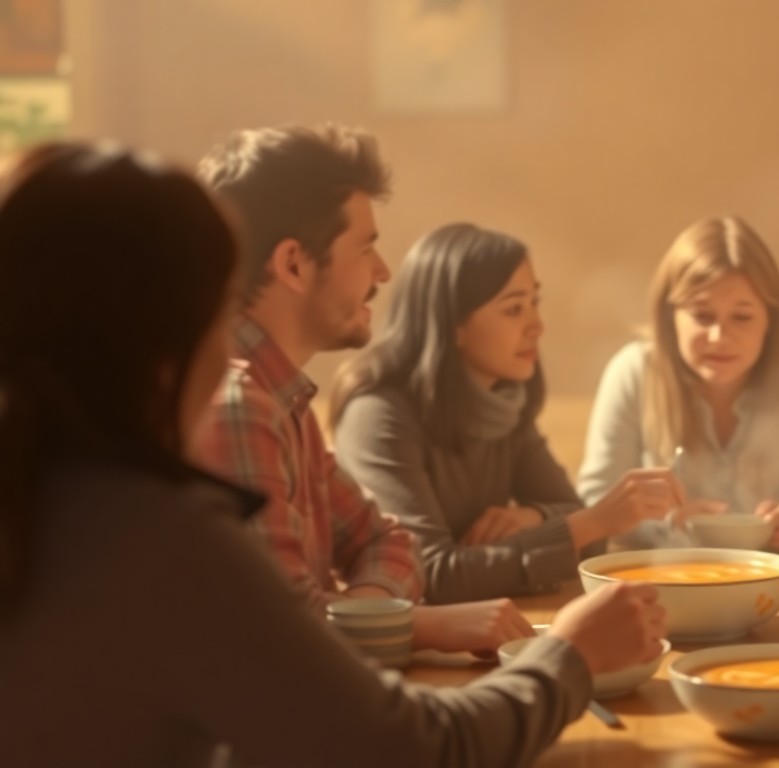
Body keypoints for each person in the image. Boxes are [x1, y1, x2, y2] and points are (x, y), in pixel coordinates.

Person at [0, 142, 667, 768]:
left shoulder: (51, 493)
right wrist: (567, 655)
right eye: (214, 305)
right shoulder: (158, 533)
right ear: (164, 334)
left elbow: (387, 543)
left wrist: (367, 623)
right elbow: (410, 750)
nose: (226, 335)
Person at [194, 124, 529, 652]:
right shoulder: (239, 406)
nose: (383, 271)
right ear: (293, 264)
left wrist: (367, 614)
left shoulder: (288, 402)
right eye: (365, 248)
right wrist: (425, 627)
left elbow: (388, 541)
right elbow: (281, 636)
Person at [328, 223, 684, 603]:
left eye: (535, 302)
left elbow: (584, 533)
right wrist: (586, 524)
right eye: (514, 309)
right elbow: (429, 574)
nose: (537, 326)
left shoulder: (502, 401)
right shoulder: (378, 416)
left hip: (481, 626)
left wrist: (534, 516)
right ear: (453, 326)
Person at [578, 216, 779, 552]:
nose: (719, 337)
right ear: (670, 317)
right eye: (702, 315)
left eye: (741, 317)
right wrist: (664, 524)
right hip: (667, 580)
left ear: (770, 318)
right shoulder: (634, 371)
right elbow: (594, 504)